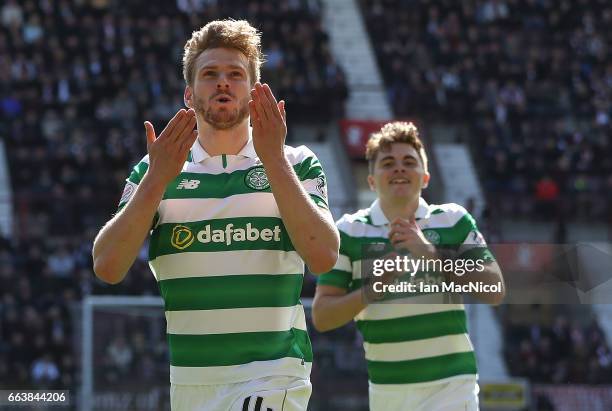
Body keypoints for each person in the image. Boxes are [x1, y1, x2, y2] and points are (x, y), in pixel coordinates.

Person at [92, 19, 339, 411]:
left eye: (235, 75)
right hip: (191, 383)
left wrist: (273, 157)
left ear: (255, 92)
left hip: (272, 375)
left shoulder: (295, 162)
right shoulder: (156, 168)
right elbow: (107, 266)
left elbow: (324, 255)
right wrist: (156, 179)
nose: (223, 82)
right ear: (189, 95)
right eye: (210, 74)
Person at [312, 122, 504, 410]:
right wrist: (371, 290)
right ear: (372, 181)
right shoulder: (348, 232)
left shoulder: (453, 220)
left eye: (409, 162)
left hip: (451, 387)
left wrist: (430, 253)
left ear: (425, 177)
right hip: (388, 392)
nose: (399, 168)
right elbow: (322, 316)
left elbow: (494, 288)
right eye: (388, 163)